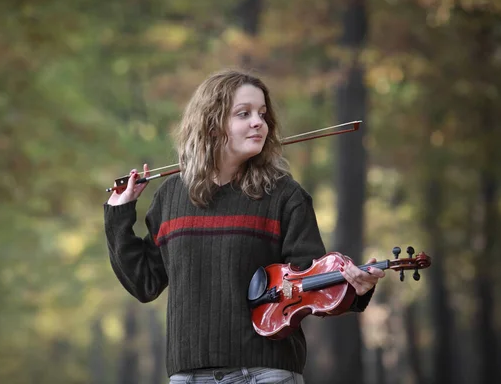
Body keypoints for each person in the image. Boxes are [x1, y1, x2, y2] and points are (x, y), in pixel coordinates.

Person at [104, 70, 385, 384]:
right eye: (244, 114)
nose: (258, 123)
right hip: (188, 376)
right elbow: (144, 283)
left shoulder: (285, 196)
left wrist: (354, 289)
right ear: (211, 124)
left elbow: (308, 283)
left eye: (262, 114)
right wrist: (119, 214)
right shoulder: (170, 197)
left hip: (266, 372)